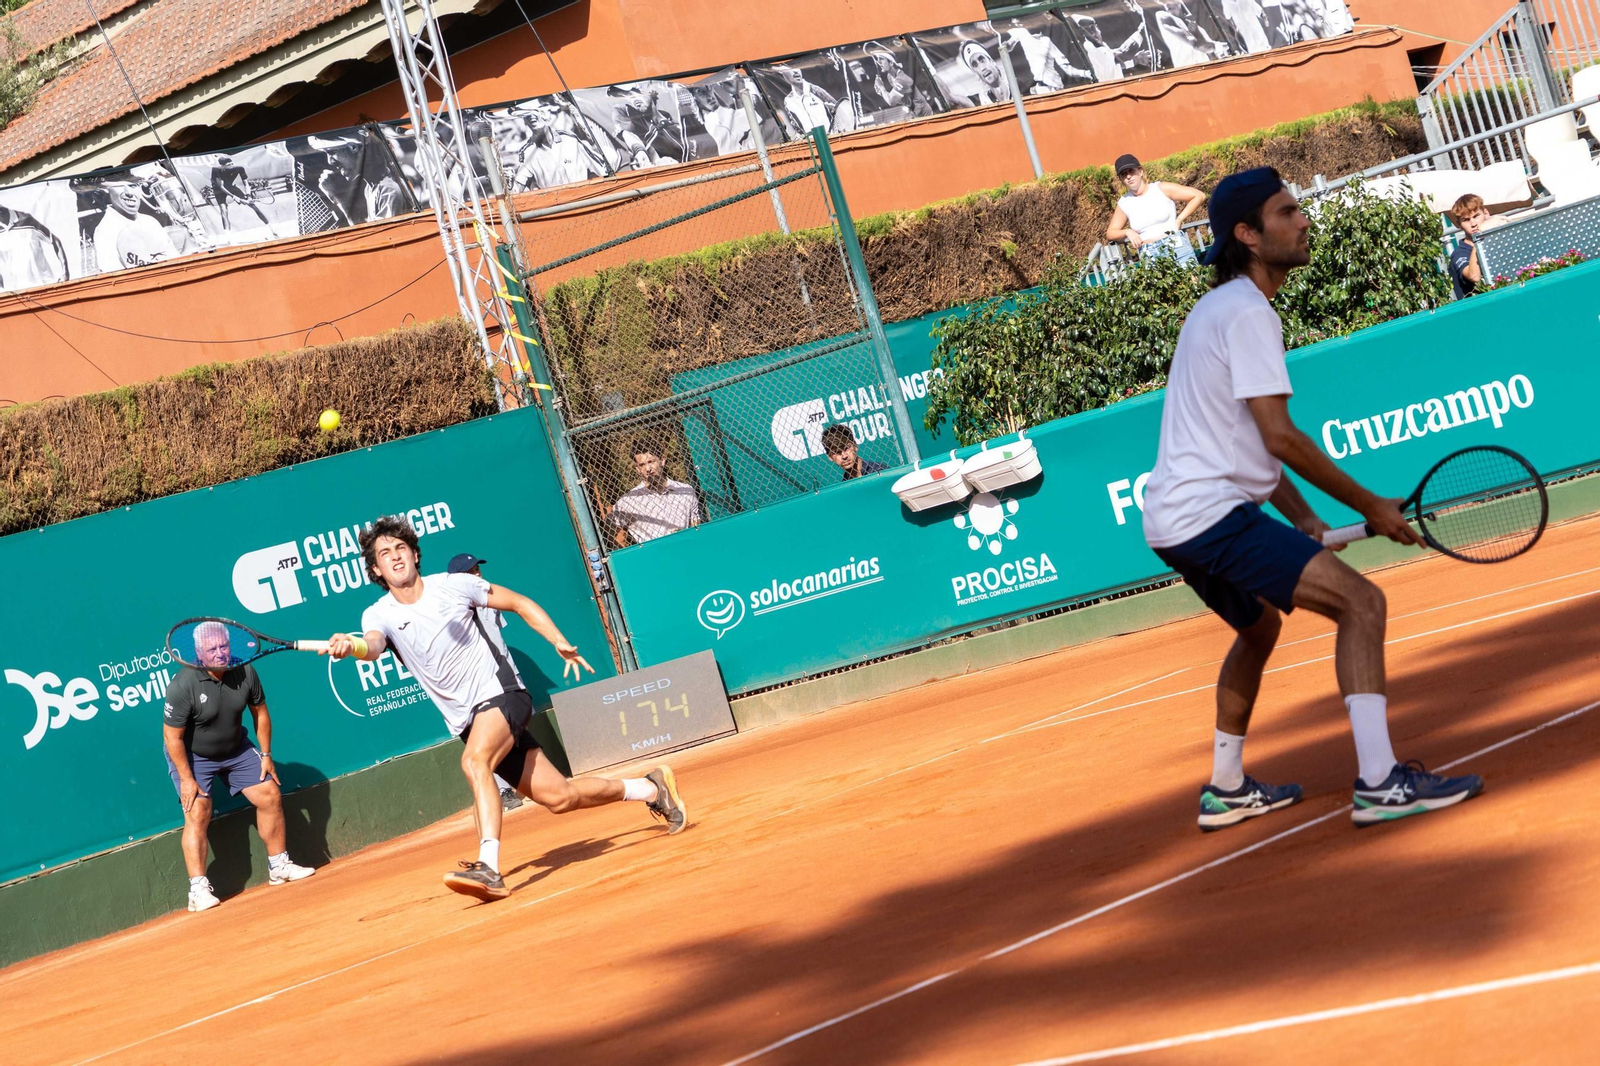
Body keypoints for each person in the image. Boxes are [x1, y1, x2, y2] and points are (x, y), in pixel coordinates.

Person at [1140, 166, 1484, 832]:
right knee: (1363, 603)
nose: (1303, 221)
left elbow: (1247, 441)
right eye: (1287, 211)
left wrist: (1302, 517)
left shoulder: (1222, 308)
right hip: (1211, 516)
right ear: (1247, 234)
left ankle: (1226, 787)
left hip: (1174, 519)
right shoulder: (1245, 313)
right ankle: (1382, 782)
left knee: (1260, 627)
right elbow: (1281, 436)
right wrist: (1373, 506)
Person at [326, 516, 687, 902]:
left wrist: (558, 640)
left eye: (400, 548)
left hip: (503, 694)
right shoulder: (377, 614)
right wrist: (353, 647)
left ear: (415, 554)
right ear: (375, 570)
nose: (394, 557)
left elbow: (518, 602)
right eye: (384, 554)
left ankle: (490, 868)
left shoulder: (454, 585)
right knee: (559, 797)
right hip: (469, 719)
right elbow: (373, 646)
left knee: (473, 763)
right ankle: (651, 788)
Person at [162, 621, 316, 912]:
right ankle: (197, 890)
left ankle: (278, 865)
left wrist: (266, 754)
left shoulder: (245, 671)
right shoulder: (183, 686)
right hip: (194, 756)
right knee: (197, 810)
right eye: (212, 649)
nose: (221, 653)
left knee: (269, 794)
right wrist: (186, 778)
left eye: (224, 646)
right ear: (198, 653)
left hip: (235, 748)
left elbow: (261, 714)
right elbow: (172, 737)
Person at [447, 552, 524, 814]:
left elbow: (498, 637)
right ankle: (502, 790)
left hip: (506, 674)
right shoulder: (454, 611)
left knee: (515, 729)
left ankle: (526, 781)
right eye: (471, 572)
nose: (477, 574)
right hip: (480, 682)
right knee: (491, 735)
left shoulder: (491, 600)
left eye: (477, 570)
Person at [1105, 154, 1207, 266]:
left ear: (1140, 171)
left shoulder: (1161, 188)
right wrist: (1127, 232)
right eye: (1123, 174)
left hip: (1176, 245)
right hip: (1149, 253)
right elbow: (1110, 233)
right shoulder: (1124, 202)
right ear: (1120, 179)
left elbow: (1198, 196)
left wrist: (1179, 219)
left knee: (1191, 281)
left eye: (1131, 171)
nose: (1128, 176)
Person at [608, 437, 702, 546]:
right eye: (642, 465)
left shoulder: (685, 490)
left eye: (651, 461)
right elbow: (609, 532)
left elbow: (695, 526)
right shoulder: (629, 500)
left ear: (662, 461)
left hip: (686, 547)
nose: (648, 469)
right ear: (637, 469)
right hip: (654, 556)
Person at [92, 180, 180, 274]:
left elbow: (174, 259)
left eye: (133, 185)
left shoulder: (150, 221)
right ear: (107, 190)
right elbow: (116, 278)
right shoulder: (105, 231)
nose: (129, 193)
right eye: (120, 186)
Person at [1002, 18, 1092, 94]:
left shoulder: (1046, 41)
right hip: (1040, 88)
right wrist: (1005, 45)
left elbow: (1067, 69)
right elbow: (1009, 46)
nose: (1019, 25)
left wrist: (1085, 73)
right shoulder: (1023, 34)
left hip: (1056, 87)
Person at [1072, 15, 1152, 82]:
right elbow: (1123, 53)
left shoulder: (1102, 46)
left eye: (1093, 28)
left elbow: (1113, 66)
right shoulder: (1090, 47)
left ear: (1098, 28)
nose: (1092, 34)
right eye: (1087, 31)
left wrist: (1135, 60)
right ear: (1083, 35)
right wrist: (1142, 31)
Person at [209, 155, 276, 235]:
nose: (231, 165)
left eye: (232, 163)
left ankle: (272, 229)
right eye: (228, 165)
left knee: (253, 205)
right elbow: (221, 186)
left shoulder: (239, 168)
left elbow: (246, 184)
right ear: (222, 166)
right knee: (223, 209)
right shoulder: (216, 170)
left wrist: (248, 196)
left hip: (231, 187)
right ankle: (228, 237)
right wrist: (235, 197)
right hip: (219, 190)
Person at [1447, 193, 1496, 300]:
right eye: (1466, 220)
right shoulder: (1459, 254)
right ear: (1459, 225)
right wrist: (1480, 234)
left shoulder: (1496, 242)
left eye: (1476, 216)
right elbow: (1474, 276)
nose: (1473, 223)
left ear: (1486, 213)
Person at [955, 39, 1011, 106]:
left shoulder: (1020, 86)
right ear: (976, 75)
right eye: (975, 65)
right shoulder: (979, 101)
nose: (982, 68)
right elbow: (950, 98)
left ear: (992, 62)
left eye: (982, 60)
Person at [821, 423, 886, 480]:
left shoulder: (878, 471)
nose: (844, 456)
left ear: (855, 446)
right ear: (829, 457)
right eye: (837, 452)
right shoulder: (845, 486)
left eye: (846, 448)